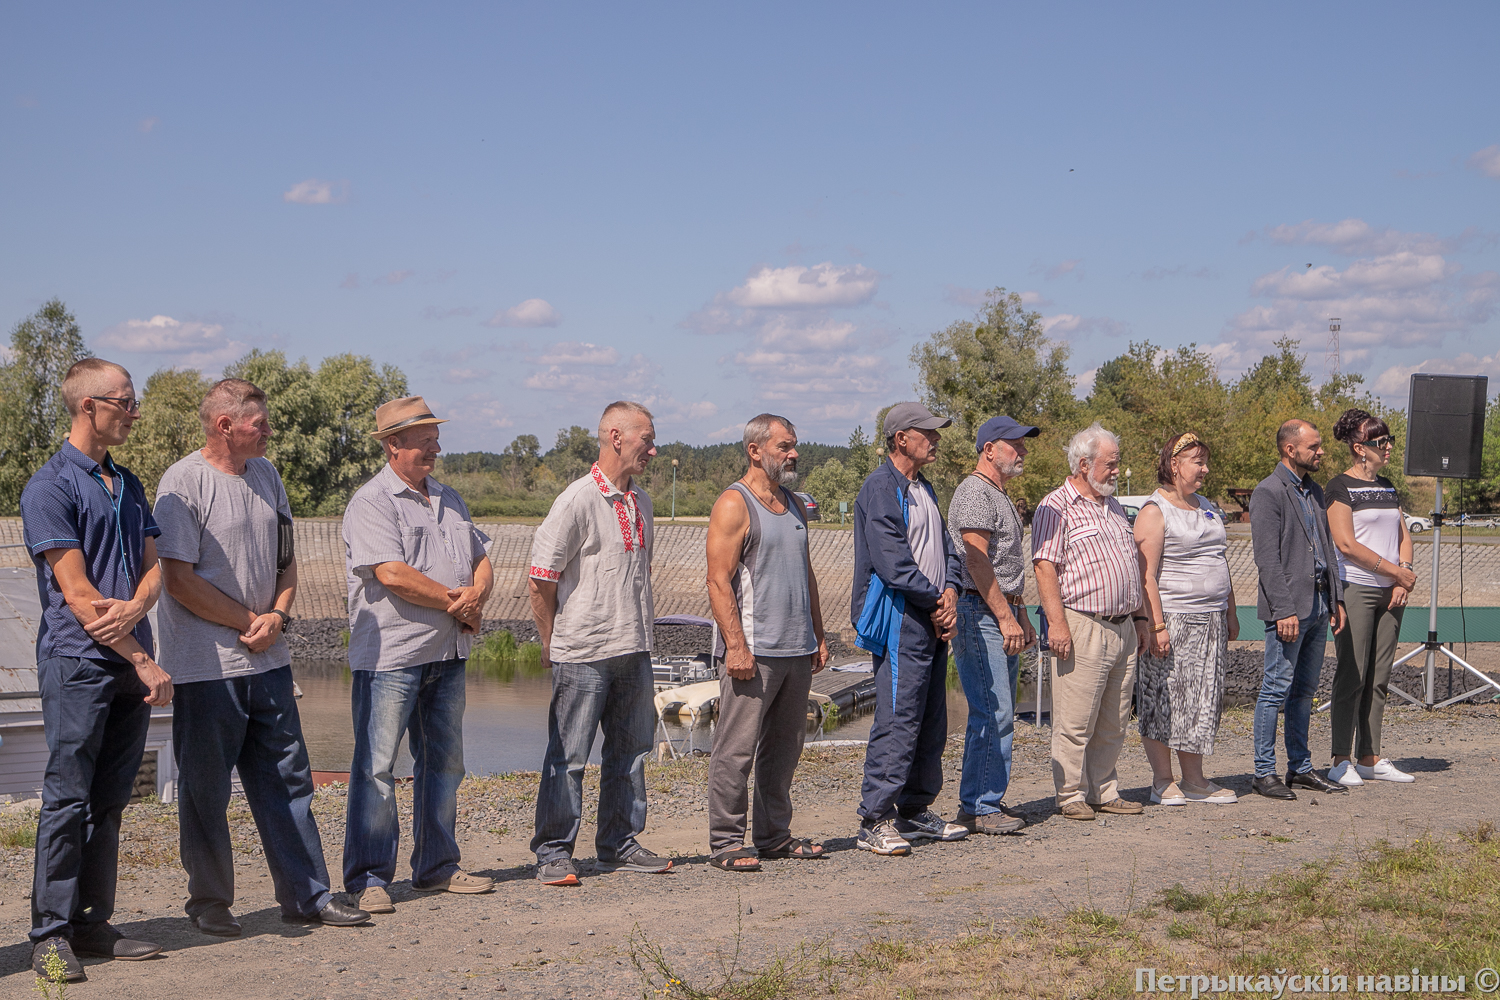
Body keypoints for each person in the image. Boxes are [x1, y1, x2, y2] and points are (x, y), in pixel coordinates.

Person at [156, 378, 368, 934]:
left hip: (269, 661)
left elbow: (286, 560)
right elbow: (176, 579)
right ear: (226, 425)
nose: (270, 430)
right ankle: (209, 903)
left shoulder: (267, 476)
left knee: (289, 779)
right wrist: (249, 621)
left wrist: (278, 615)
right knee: (205, 791)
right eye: (260, 422)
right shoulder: (183, 482)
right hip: (207, 669)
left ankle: (308, 896)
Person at [20, 359, 171, 980]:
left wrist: (138, 603)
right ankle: (49, 935)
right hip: (79, 664)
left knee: (109, 801)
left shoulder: (129, 484)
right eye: (126, 403)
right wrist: (143, 657)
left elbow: (155, 564)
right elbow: (79, 596)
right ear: (90, 406)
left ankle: (92, 924)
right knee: (66, 800)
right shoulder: (50, 486)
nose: (134, 414)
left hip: (127, 665)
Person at [343, 396, 497, 913]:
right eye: (423, 439)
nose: (435, 447)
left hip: (448, 653)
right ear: (393, 445)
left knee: (444, 763)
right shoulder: (372, 502)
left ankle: (437, 867)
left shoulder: (449, 497)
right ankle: (368, 878)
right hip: (392, 657)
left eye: (435, 437)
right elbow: (391, 573)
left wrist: (476, 594)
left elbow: (481, 558)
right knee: (377, 768)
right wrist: (459, 602)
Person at [528, 401, 672, 885]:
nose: (653, 449)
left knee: (630, 752)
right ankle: (553, 851)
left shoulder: (642, 502)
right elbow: (541, 577)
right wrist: (551, 642)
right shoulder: (578, 499)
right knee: (568, 755)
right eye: (645, 439)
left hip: (633, 646)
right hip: (584, 652)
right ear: (615, 437)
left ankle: (618, 843)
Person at [704, 414, 831, 872]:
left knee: (784, 750)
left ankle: (775, 836)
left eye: (794, 445)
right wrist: (735, 647)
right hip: (753, 653)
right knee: (735, 750)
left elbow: (807, 574)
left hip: (797, 649)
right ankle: (725, 843)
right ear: (755, 450)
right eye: (784, 446)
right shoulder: (734, 504)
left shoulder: (795, 504)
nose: (793, 453)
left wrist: (818, 633)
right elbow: (718, 580)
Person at [851, 402, 968, 856]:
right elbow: (893, 562)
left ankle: (914, 810)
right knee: (899, 716)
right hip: (904, 616)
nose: (936, 439)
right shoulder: (880, 487)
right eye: (928, 432)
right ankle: (873, 819)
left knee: (931, 718)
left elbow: (946, 548)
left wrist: (952, 590)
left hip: (933, 613)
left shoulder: (924, 487)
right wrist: (937, 599)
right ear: (902, 438)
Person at [1031, 422, 1148, 821]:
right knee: (1076, 718)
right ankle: (1070, 794)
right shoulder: (1056, 506)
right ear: (1084, 464)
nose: (1117, 470)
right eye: (1110, 464)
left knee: (1114, 718)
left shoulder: (1112, 505)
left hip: (1124, 626)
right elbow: (1045, 566)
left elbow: (1130, 564)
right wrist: (1057, 625)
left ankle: (1103, 789)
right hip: (1084, 623)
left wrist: (1141, 618)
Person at [1133, 433, 1239, 807]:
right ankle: (1163, 780)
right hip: (1173, 619)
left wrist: (1230, 608)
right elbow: (1146, 575)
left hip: (1209, 619)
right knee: (1164, 698)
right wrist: (1156, 625)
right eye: (1198, 461)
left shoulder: (1206, 505)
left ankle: (1194, 780)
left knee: (1200, 698)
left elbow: (1219, 557)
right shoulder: (1154, 510)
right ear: (1175, 464)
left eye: (1205, 461)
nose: (1205, 469)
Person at [945, 415, 1039, 835]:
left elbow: (1003, 564)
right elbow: (976, 560)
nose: (1022, 451)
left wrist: (1019, 613)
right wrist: (1005, 615)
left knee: (999, 709)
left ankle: (983, 800)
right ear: (989, 449)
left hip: (997, 611)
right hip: (978, 612)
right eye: (1014, 444)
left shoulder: (996, 493)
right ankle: (981, 806)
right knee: (993, 709)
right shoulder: (975, 493)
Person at [1249, 419, 1348, 800]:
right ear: (1290, 450)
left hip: (1319, 606)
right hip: (1289, 610)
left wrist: (1336, 599)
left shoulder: (1314, 490)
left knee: (1304, 692)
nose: (1321, 452)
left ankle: (1301, 768)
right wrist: (1283, 610)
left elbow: (1327, 549)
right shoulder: (1268, 492)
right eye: (1314, 447)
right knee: (1275, 689)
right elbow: (1267, 559)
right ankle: (1263, 772)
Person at [1325, 409, 1417, 786]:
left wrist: (1402, 576)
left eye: (1389, 439)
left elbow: (1402, 533)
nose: (1389, 446)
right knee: (1353, 674)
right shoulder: (1339, 487)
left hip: (1391, 591)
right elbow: (1346, 544)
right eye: (1382, 442)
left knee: (1379, 676)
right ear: (1360, 448)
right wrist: (1395, 572)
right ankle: (1339, 759)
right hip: (1357, 588)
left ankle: (1370, 757)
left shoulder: (1388, 485)